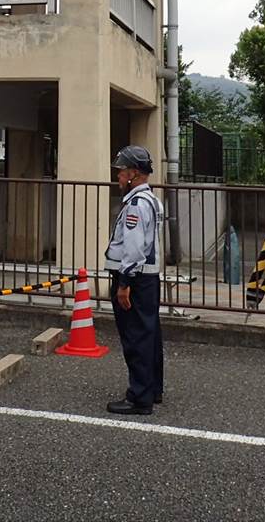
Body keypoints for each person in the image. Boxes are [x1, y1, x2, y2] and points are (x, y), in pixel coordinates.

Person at [104, 144, 164, 416]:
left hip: (135, 279)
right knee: (149, 335)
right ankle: (152, 389)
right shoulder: (150, 200)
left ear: (134, 174)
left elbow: (134, 248)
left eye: (122, 171)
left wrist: (124, 283)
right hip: (148, 279)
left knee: (136, 337)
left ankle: (139, 397)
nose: (118, 176)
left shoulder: (137, 205)